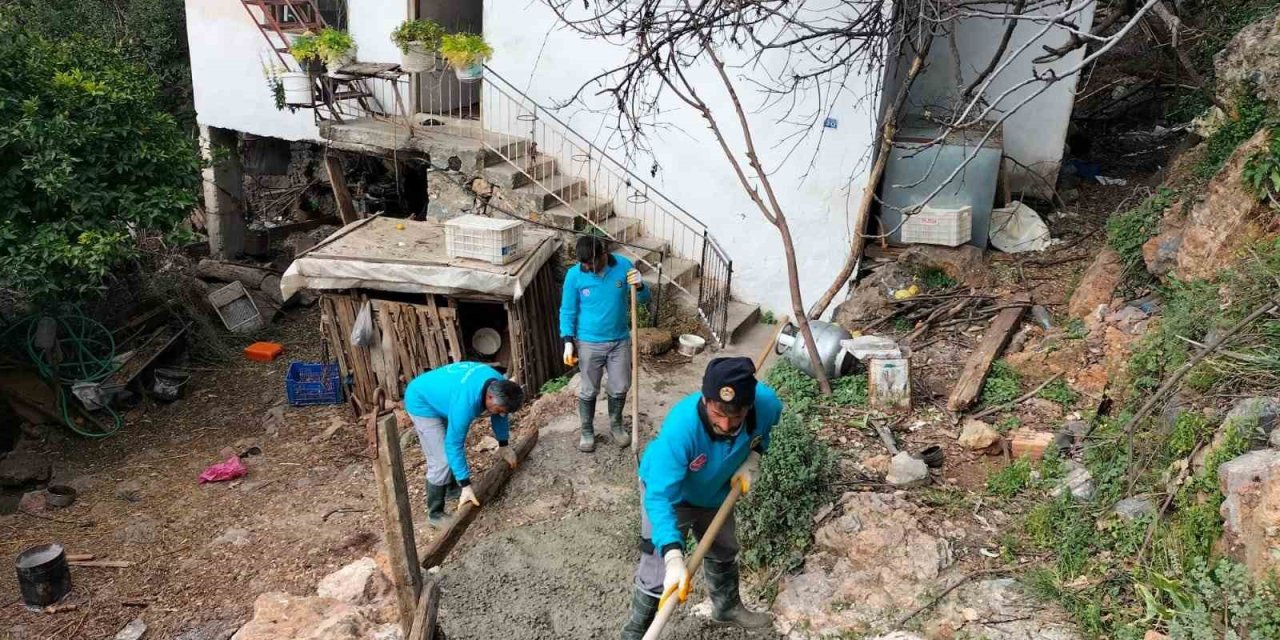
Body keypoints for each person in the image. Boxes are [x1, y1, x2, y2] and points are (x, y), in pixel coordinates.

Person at [620, 357, 782, 638]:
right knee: (658, 566)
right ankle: (636, 631)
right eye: (718, 412)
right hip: (673, 496)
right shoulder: (680, 430)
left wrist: (754, 457)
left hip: (716, 493)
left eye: (736, 415)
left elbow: (764, 432)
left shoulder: (767, 405)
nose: (727, 423)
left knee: (724, 546)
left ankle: (726, 607)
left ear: (749, 405)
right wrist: (673, 557)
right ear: (706, 400)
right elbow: (660, 498)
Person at [403, 361, 525, 527]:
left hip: (445, 395)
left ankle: (452, 489)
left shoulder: (499, 385)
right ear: (489, 397)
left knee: (449, 450)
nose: (502, 414)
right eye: (499, 409)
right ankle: (435, 513)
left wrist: (504, 444)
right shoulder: (465, 404)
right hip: (421, 401)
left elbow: (500, 416)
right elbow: (454, 444)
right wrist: (466, 485)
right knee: (442, 460)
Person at [560, 235, 650, 453]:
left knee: (620, 386)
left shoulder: (624, 266)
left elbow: (644, 300)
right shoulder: (574, 275)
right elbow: (567, 310)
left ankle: (616, 425)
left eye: (592, 262)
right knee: (589, 389)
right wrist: (568, 341)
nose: (589, 268)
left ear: (603, 254)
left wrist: (639, 286)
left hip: (619, 340)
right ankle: (587, 430)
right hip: (589, 342)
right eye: (584, 264)